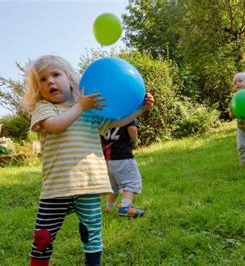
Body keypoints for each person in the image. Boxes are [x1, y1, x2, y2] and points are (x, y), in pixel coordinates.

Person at [22, 55, 154, 266]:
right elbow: (56, 125)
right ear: (39, 89)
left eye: (56, 75)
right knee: (43, 237)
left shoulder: (89, 112)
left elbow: (116, 122)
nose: (50, 81)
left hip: (88, 185)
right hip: (57, 187)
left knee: (92, 234)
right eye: (43, 80)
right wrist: (81, 107)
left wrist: (140, 109)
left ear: (71, 80)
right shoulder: (45, 109)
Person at [101, 119, 144, 217]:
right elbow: (132, 128)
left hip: (107, 159)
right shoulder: (126, 113)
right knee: (132, 182)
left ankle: (108, 208)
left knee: (113, 186)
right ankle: (125, 207)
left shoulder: (105, 116)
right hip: (123, 157)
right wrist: (135, 141)